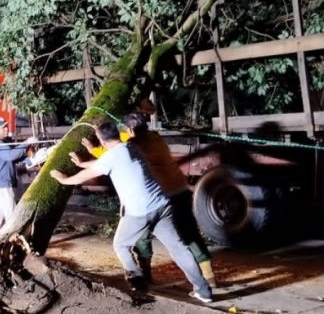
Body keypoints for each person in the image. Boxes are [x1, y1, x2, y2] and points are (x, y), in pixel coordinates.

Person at [51, 121, 213, 303]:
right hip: (161, 205)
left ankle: (137, 279)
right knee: (180, 249)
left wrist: (63, 179)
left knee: (120, 245)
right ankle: (203, 290)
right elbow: (104, 162)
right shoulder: (131, 147)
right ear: (118, 134)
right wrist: (82, 163)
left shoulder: (111, 158)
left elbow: (86, 174)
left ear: (101, 141)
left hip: (139, 212)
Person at [83, 112, 217, 288]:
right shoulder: (156, 137)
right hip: (180, 190)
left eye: (126, 129)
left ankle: (144, 275)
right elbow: (120, 144)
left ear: (130, 129)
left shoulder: (133, 146)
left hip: (159, 197)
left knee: (141, 237)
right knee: (189, 233)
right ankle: (208, 278)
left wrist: (95, 148)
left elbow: (114, 155)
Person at [0, 116, 36, 237]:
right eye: (2, 127)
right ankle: (12, 237)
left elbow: (15, 156)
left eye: (6, 126)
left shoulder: (4, 142)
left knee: (2, 210)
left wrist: (30, 161)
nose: (6, 129)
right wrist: (26, 143)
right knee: (11, 213)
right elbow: (10, 156)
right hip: (2, 183)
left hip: (4, 182)